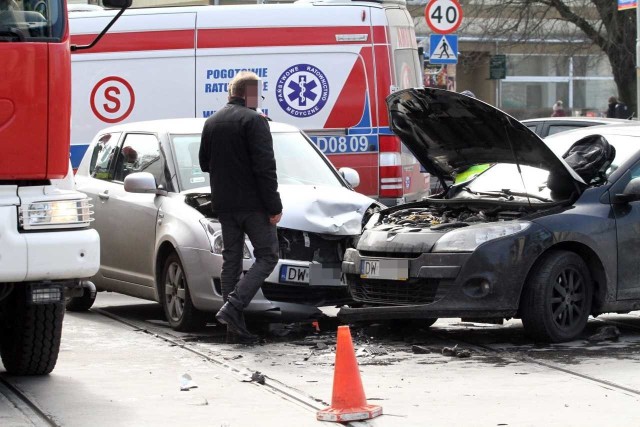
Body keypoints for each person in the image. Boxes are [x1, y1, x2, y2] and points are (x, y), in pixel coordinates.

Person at [199, 71, 282, 344]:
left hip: (224, 204)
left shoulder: (211, 122)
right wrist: (274, 206)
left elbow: (204, 164)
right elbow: (265, 168)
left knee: (231, 262)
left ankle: (233, 328)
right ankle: (233, 307)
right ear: (249, 95)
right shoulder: (254, 121)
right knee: (268, 255)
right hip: (254, 205)